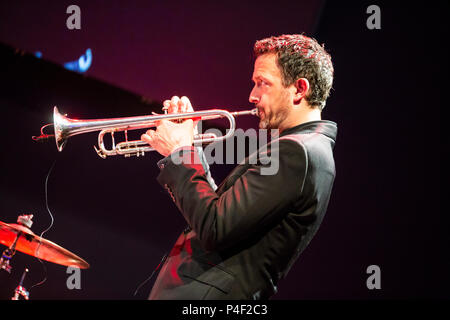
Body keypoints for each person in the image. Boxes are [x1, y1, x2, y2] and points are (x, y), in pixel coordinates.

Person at [141, 34, 337, 300]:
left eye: (262, 84)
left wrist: (180, 152)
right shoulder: (303, 149)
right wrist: (189, 150)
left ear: (300, 89)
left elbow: (214, 228)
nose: (252, 96)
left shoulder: (297, 152)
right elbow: (222, 215)